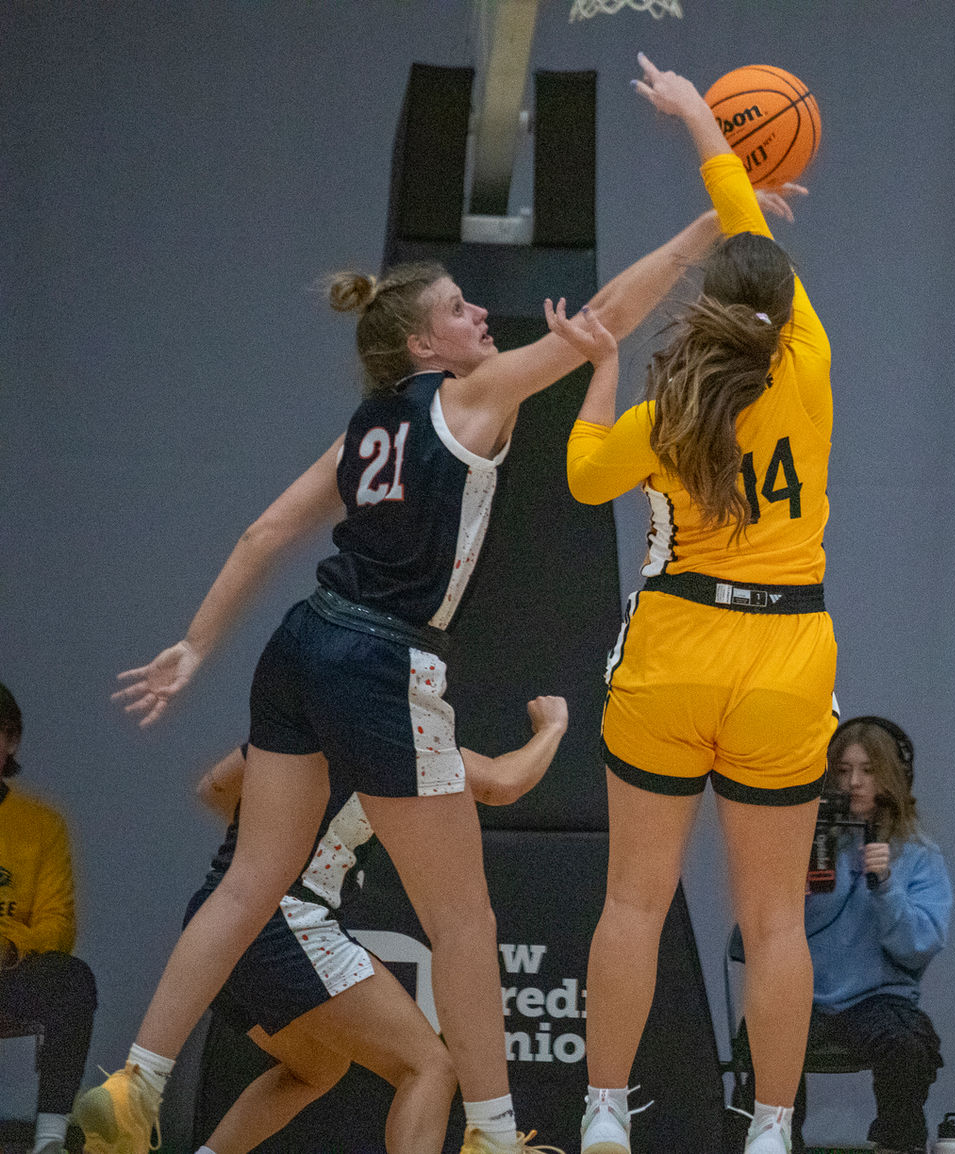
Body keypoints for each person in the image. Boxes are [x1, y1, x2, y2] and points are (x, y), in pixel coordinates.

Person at [74, 175, 788, 1154]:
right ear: (423, 344)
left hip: (299, 640)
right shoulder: (475, 395)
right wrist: (708, 219)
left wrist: (194, 644)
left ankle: (134, 1082)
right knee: (463, 919)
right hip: (379, 654)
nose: (478, 313)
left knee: (247, 882)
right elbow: (610, 314)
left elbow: (263, 530)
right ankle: (493, 1130)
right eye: (459, 307)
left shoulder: (368, 428)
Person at [552, 56, 835, 1154]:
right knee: (769, 918)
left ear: (707, 309)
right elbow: (739, 222)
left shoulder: (669, 404)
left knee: (633, 898)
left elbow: (579, 477)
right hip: (781, 655)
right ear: (781, 310)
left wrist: (601, 369)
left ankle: (607, 1109)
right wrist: (702, 128)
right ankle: (768, 1126)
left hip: (671, 652)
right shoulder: (806, 361)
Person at [180, 695, 568, 1154]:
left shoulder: (302, 723)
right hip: (284, 919)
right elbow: (503, 784)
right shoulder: (401, 740)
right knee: (428, 1067)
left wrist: (268, 848)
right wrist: (552, 728)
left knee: (315, 1069)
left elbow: (213, 788)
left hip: (213, 915)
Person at [795, 716, 951, 1154]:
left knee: (907, 1045)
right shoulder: (803, 846)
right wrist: (793, 894)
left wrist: (885, 886)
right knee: (766, 1039)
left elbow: (918, 946)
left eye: (868, 770)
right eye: (843, 771)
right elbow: (760, 937)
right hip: (803, 995)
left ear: (892, 778)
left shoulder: (918, 855)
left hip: (877, 1000)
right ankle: (776, 1142)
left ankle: (896, 1143)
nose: (854, 783)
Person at [0, 682, 98, 1154]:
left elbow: (59, 924)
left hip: (10, 968)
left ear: (10, 741)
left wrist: (13, 949)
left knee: (72, 979)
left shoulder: (41, 822)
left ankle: (49, 1138)